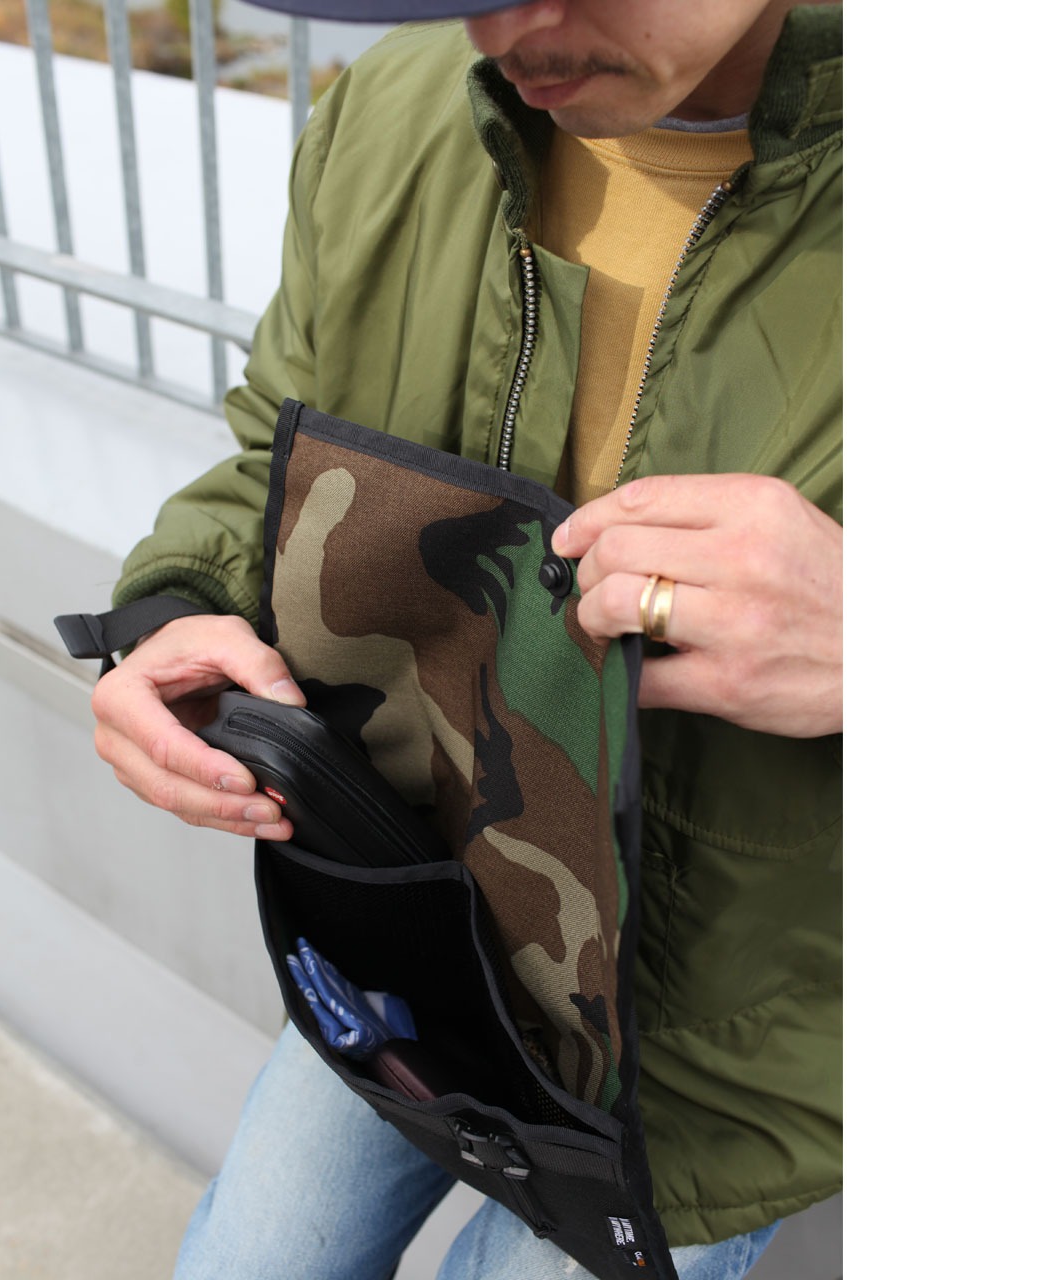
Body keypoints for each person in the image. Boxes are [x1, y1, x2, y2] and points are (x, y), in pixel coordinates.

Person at [89, 2, 842, 1277]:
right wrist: (168, 614)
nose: (508, 30)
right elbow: (282, 438)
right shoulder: (398, 108)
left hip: (726, 1048)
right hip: (409, 914)